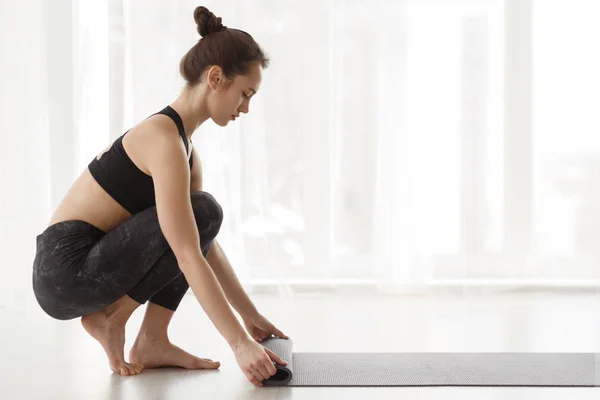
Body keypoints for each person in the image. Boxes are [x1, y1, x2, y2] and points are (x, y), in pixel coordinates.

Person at [31, 6, 289, 387]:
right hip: (65, 271)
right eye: (245, 94)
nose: (246, 108)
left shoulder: (185, 150)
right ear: (216, 78)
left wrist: (250, 317)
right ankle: (111, 319)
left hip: (85, 268)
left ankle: (152, 341)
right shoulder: (162, 139)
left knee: (202, 217)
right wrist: (238, 344)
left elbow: (202, 242)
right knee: (202, 212)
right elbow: (186, 251)